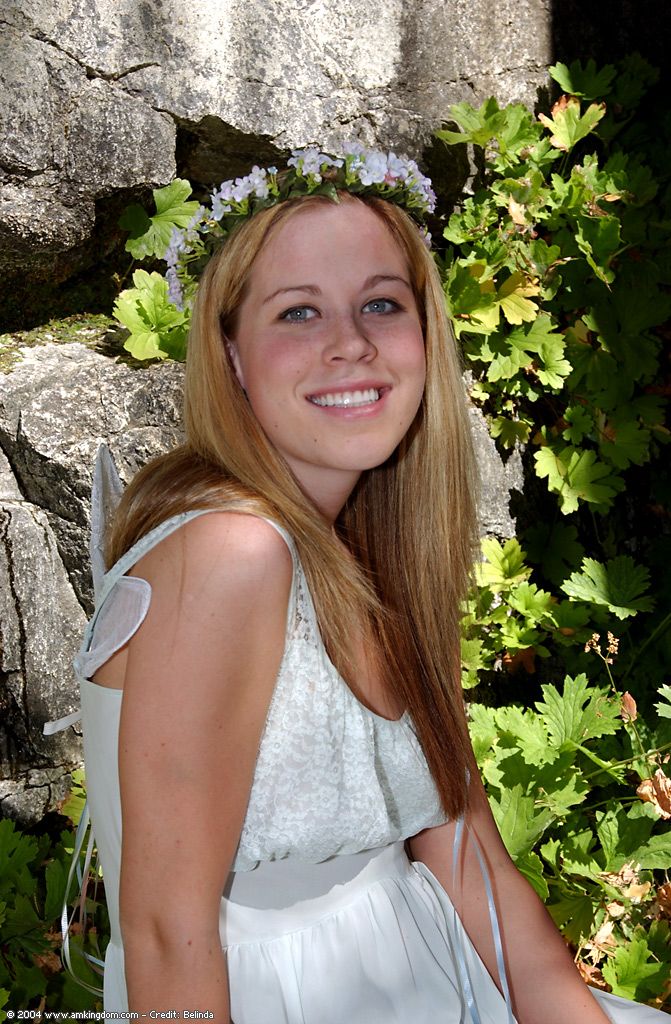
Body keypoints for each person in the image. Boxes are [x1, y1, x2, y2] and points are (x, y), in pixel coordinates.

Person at [48, 148, 664, 1023]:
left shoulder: (368, 547)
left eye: (380, 303)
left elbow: (471, 862)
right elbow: (162, 934)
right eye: (298, 312)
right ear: (230, 355)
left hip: (438, 982)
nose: (350, 343)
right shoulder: (230, 553)